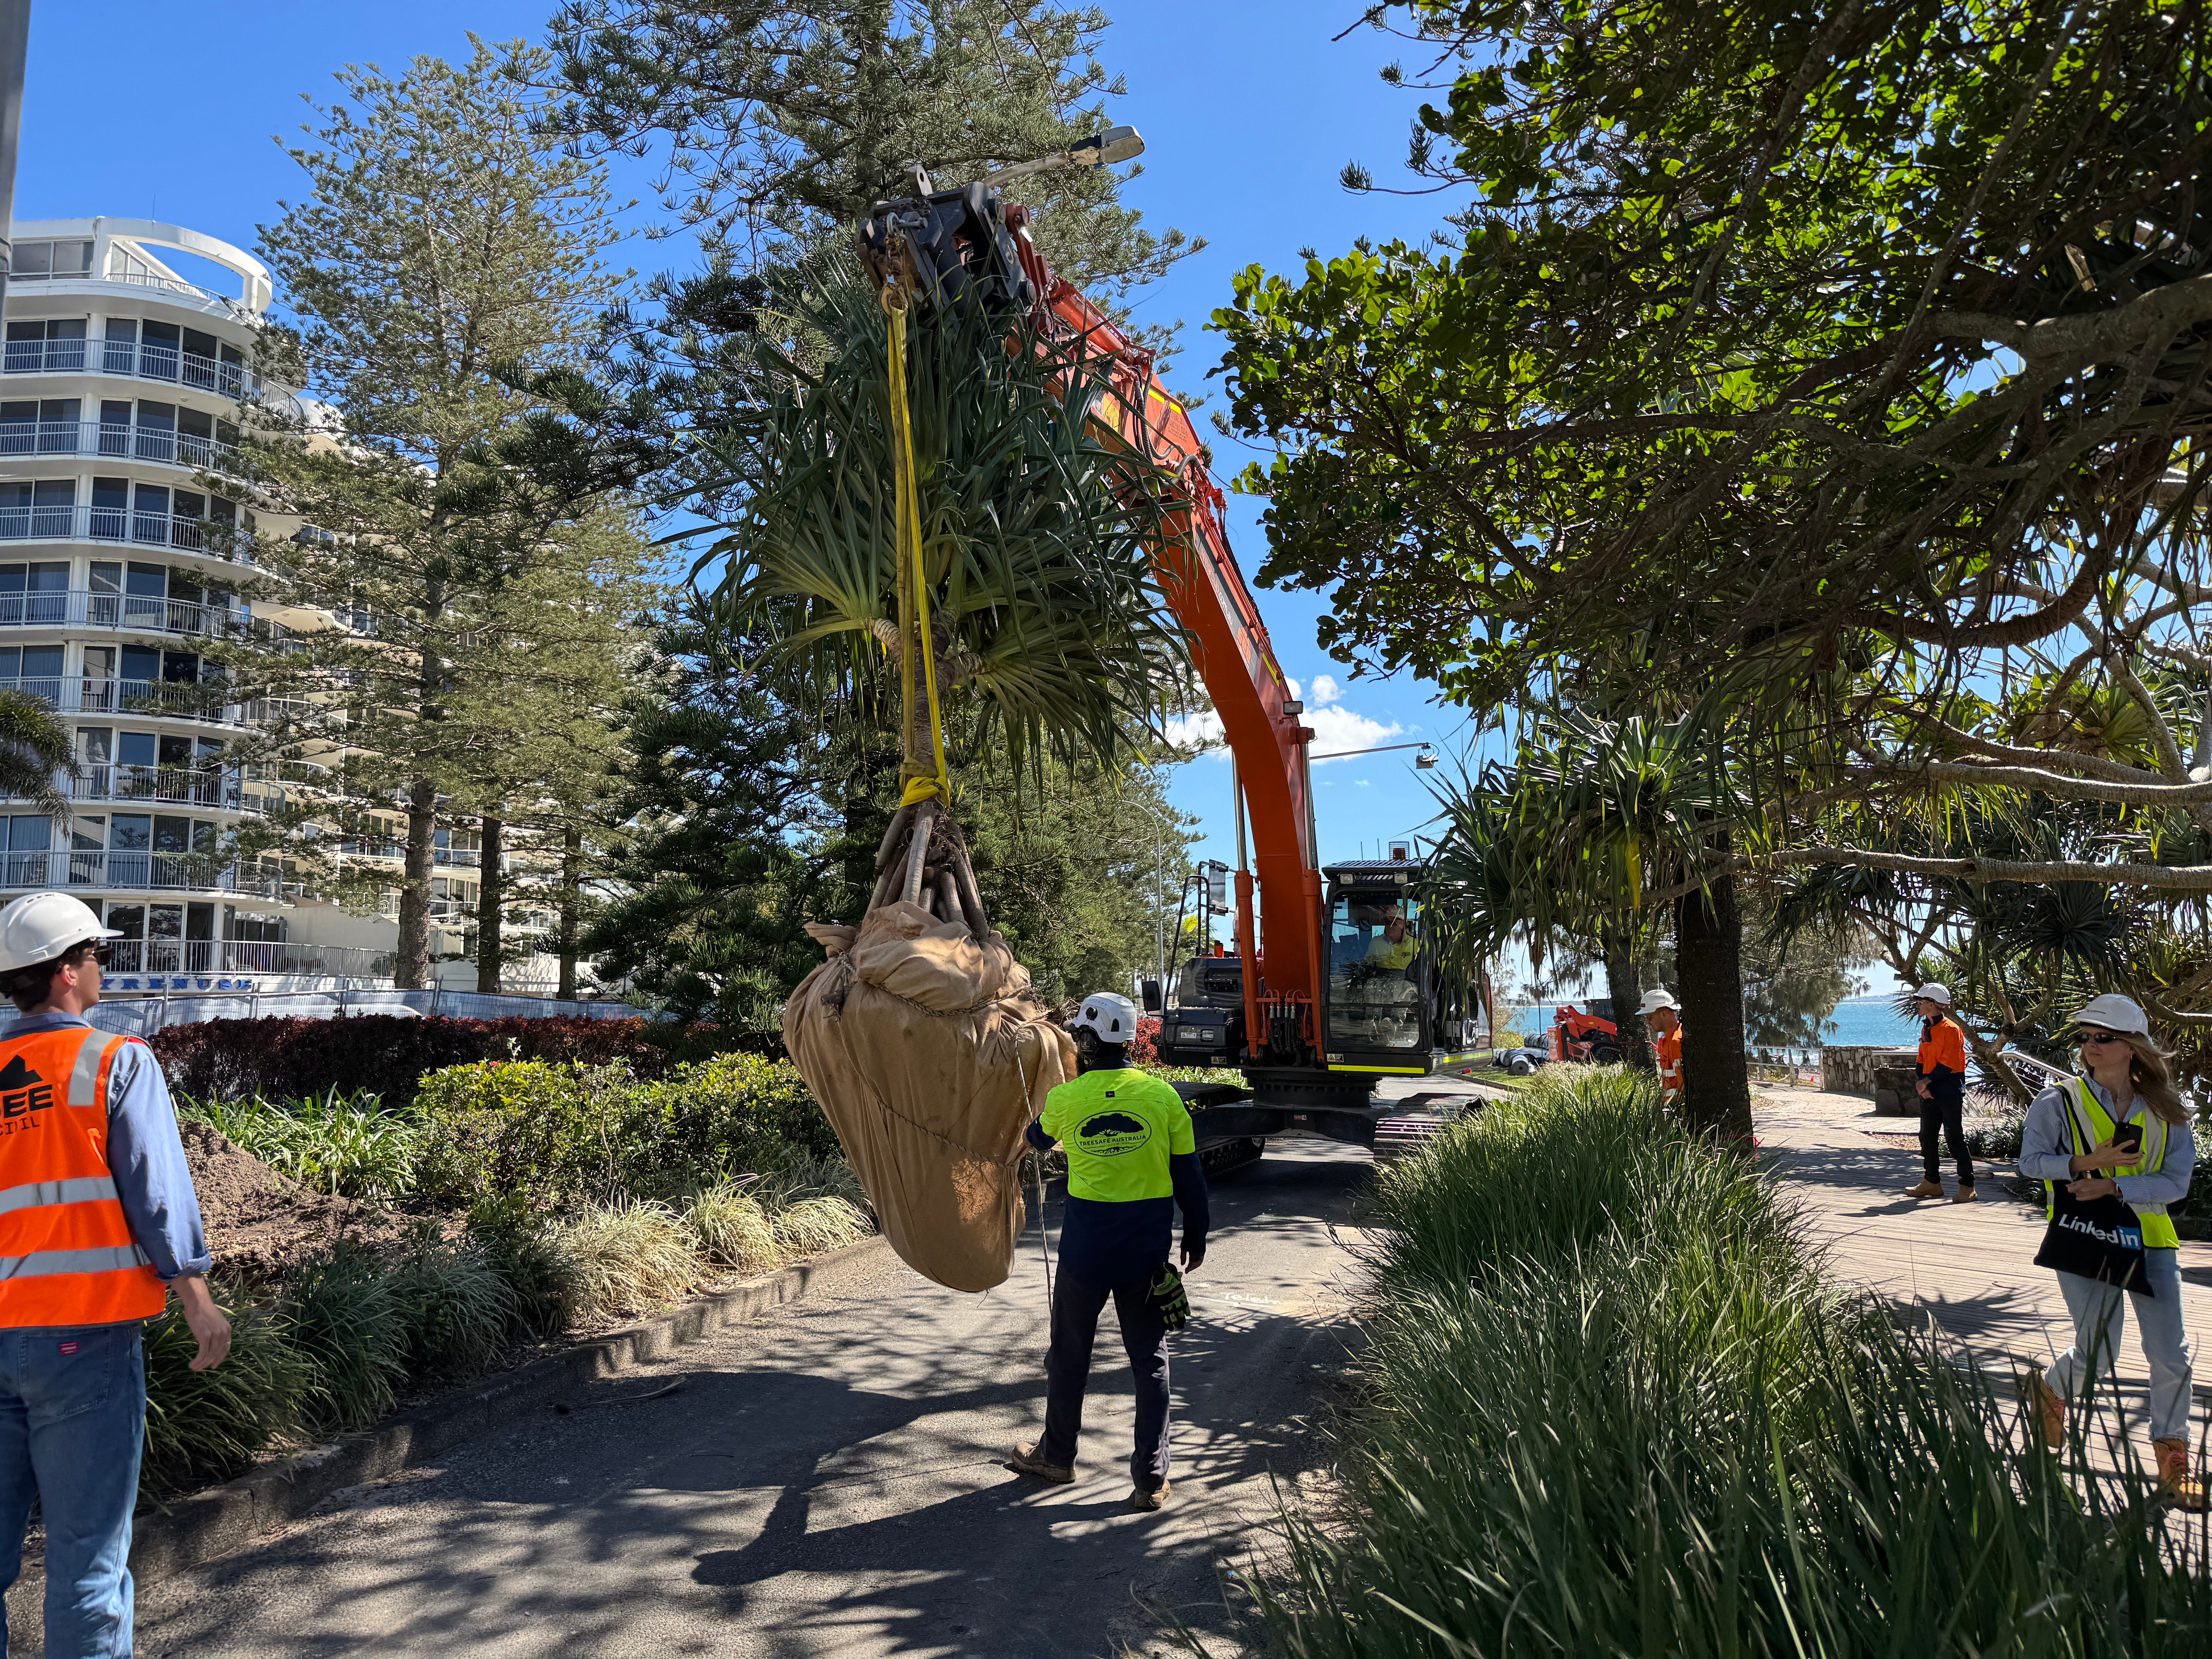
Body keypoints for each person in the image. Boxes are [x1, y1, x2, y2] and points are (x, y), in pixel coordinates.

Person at [0, 892, 229, 1654]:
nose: (104, 968)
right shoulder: (113, 1061)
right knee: (86, 1567)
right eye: (98, 956)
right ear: (67, 973)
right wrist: (197, 1299)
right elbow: (156, 1194)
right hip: (83, 1341)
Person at [1011, 991, 1208, 1512]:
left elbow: (1036, 1138)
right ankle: (1150, 1479)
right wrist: (1197, 1233)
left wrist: (1039, 1123)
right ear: (1129, 1041)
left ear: (1088, 1040)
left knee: (1069, 1354)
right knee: (1150, 1361)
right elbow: (1189, 1173)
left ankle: (1056, 1456)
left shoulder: (1066, 1099)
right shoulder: (1163, 1098)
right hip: (1145, 1255)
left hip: (1085, 1256)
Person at [2020, 993, 2203, 1510]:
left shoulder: (2168, 1110)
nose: (2091, 1046)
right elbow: (2031, 1163)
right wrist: (2084, 1164)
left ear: (2133, 1047)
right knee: (2098, 1354)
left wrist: (2118, 1188)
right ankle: (2050, 1392)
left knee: (2172, 1354)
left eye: (2104, 1037)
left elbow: (2176, 1183)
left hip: (2152, 1242)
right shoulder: (2058, 1102)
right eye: (2086, 1037)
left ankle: (2174, 1461)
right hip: (2084, 1236)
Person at [1903, 982, 1976, 1202]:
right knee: (1927, 1137)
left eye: (1922, 1001)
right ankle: (1932, 1183)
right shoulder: (1927, 1028)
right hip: (1932, 1086)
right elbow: (1922, 1059)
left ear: (1933, 1004)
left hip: (1950, 1088)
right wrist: (1922, 1084)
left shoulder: (1951, 1029)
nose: (1918, 1004)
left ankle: (1967, 1186)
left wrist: (1926, 1083)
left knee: (1954, 1138)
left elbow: (1949, 1064)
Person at [1639, 988, 1683, 1108]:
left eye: (1650, 1018)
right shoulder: (1667, 1040)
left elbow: (1684, 1085)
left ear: (1664, 1013)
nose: (1648, 1023)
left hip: (1677, 1109)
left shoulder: (1676, 1042)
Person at [1364, 907, 1417, 972]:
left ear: (1403, 924)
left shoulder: (1415, 944)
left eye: (1395, 923)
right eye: (1388, 922)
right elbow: (1367, 966)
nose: (1391, 927)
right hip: (1381, 980)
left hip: (1407, 980)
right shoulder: (1375, 943)